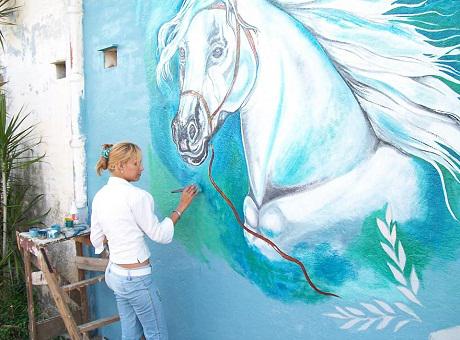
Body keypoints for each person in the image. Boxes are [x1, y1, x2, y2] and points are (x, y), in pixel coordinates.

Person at [90, 142, 198, 340]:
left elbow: (96, 238)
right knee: (156, 335)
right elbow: (159, 235)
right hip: (136, 279)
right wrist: (181, 206)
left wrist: (118, 233)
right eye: (136, 163)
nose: (141, 168)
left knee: (130, 334)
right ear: (121, 166)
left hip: (116, 274)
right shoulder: (138, 197)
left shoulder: (100, 196)